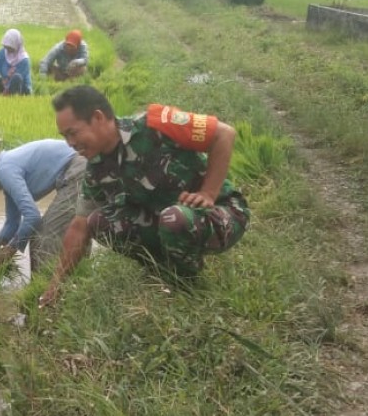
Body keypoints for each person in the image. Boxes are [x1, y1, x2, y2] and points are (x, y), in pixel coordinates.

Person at [40, 85, 251, 307]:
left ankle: (188, 288)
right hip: (170, 223)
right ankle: (164, 272)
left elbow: (224, 133)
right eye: (65, 137)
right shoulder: (96, 168)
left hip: (220, 213)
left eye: (73, 133)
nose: (70, 143)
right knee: (99, 222)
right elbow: (79, 226)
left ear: (98, 117)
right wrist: (56, 285)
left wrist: (208, 192)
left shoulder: (156, 123)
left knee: (174, 218)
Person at [0, 138, 88, 272]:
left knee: (41, 238)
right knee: (77, 228)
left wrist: (11, 249)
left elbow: (32, 217)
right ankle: (79, 275)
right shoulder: (6, 170)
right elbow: (12, 224)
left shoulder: (5, 169)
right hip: (77, 167)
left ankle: (43, 285)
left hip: (78, 168)